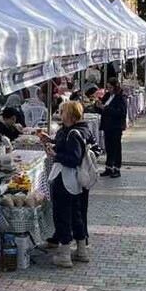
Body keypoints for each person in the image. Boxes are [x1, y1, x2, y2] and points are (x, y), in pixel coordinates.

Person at [45, 101, 92, 268]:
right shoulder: (80, 130)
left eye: (62, 112)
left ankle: (65, 254)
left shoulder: (73, 134)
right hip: (75, 181)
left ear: (71, 115)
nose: (59, 114)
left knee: (63, 215)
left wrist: (55, 155)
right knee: (76, 215)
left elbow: (73, 159)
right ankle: (81, 250)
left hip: (66, 179)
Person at [97, 79, 127, 178]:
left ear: (115, 87)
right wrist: (98, 105)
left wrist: (105, 108)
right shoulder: (107, 96)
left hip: (116, 126)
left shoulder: (120, 98)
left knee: (116, 147)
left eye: (111, 87)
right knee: (109, 147)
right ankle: (108, 167)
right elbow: (102, 107)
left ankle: (117, 168)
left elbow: (120, 112)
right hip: (107, 126)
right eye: (108, 87)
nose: (109, 89)